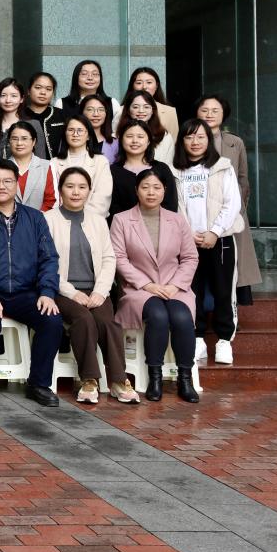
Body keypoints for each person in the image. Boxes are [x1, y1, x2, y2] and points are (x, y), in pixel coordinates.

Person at [0, 159, 64, 408]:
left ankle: (38, 384)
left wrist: (47, 292)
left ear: (16, 183)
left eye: (7, 181)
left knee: (51, 320)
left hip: (24, 292)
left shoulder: (35, 218)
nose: (1, 186)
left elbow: (49, 258)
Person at [45, 168, 138, 404]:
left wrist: (100, 292)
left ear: (89, 191)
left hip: (95, 290)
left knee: (107, 322)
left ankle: (118, 380)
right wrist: (72, 292)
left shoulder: (98, 221)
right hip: (61, 290)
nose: (76, 192)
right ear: (60, 190)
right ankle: (89, 379)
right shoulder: (47, 220)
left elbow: (109, 258)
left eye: (82, 187)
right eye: (70, 186)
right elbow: (44, 264)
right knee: (84, 319)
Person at [112, 170, 200, 402]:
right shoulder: (122, 220)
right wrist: (147, 285)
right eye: (145, 187)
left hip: (174, 287)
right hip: (138, 290)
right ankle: (155, 377)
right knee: (158, 316)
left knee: (182, 317)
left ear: (164, 191)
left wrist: (175, 285)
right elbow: (119, 258)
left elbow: (190, 257)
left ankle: (185, 378)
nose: (151, 192)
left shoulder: (177, 220)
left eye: (156, 187)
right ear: (136, 190)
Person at [171, 119, 243, 366]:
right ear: (182, 141)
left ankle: (224, 340)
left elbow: (232, 203)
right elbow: (174, 207)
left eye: (200, 137)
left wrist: (215, 231)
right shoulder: (175, 171)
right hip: (187, 241)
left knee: (223, 290)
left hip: (220, 239)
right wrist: (187, 233)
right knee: (192, 290)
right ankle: (198, 337)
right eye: (189, 137)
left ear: (208, 140)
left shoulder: (223, 166)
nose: (195, 142)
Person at [196, 94, 261, 306]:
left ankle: (229, 312)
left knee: (233, 264)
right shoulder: (190, 139)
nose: (209, 114)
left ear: (224, 115)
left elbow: (243, 178)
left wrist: (239, 208)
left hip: (230, 212)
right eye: (205, 110)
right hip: (199, 212)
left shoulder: (235, 142)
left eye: (215, 111)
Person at [110, 120, 178, 217]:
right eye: (129, 136)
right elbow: (113, 208)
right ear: (121, 140)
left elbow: (171, 205)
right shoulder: (112, 171)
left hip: (161, 225)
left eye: (140, 136)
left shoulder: (162, 169)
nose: (135, 141)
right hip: (123, 225)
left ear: (149, 141)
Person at [51, 115, 112, 218]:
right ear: (65, 134)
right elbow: (53, 197)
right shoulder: (54, 162)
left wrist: (81, 219)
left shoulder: (101, 161)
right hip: (60, 220)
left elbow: (102, 198)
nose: (75, 134)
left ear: (88, 136)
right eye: (71, 130)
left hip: (93, 220)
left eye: (80, 130)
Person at [0, 78, 48, 161]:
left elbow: (41, 159)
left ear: (21, 99)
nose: (8, 100)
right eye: (3, 95)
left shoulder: (34, 125)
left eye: (14, 96)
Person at [114, 90, 174, 165]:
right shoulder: (116, 135)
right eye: (135, 107)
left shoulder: (164, 136)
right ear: (128, 110)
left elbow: (169, 165)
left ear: (152, 110)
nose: (141, 111)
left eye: (146, 107)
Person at [120, 67, 179, 142]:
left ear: (156, 86)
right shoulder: (119, 110)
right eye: (139, 83)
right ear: (132, 86)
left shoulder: (169, 111)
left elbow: (173, 142)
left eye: (149, 82)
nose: (144, 87)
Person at [7, 121, 56, 211]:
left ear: (34, 141)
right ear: (9, 142)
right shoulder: (1, 168)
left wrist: (36, 218)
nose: (19, 143)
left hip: (40, 217)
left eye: (24, 138)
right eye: (14, 139)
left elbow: (51, 200)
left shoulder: (46, 166)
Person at [23, 72, 66, 156]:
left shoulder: (62, 115)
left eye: (48, 89)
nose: (43, 92)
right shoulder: (19, 115)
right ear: (28, 91)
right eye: (38, 87)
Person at [81, 93, 119, 162]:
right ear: (82, 112)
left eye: (101, 110)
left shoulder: (115, 143)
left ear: (106, 113)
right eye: (90, 109)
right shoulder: (74, 139)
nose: (96, 114)